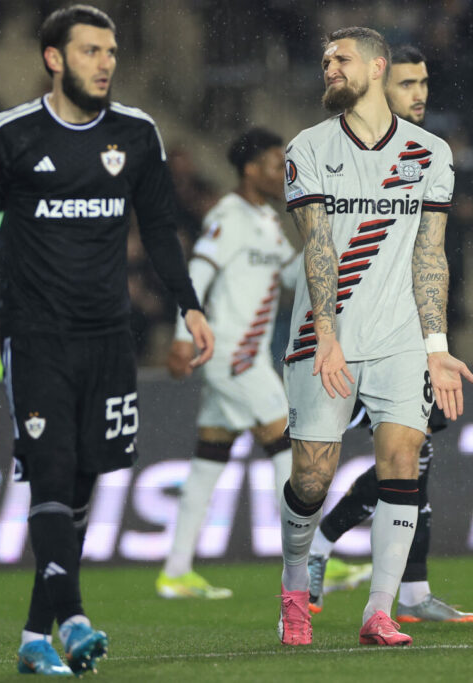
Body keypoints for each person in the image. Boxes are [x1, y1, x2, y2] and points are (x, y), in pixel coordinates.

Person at [0, 4, 214, 675]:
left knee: (79, 484)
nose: (105, 63)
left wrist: (190, 306)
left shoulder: (136, 134)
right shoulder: (9, 135)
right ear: (54, 57)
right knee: (49, 468)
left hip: (110, 338)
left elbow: (160, 229)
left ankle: (33, 637)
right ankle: (73, 617)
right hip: (37, 333)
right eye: (90, 51)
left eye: (111, 51)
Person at [277, 27, 473, 648]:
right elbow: (319, 247)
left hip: (401, 339)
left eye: (339, 59)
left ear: (375, 65)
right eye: (325, 60)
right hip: (325, 337)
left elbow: (430, 256)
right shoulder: (307, 147)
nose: (328, 67)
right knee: (313, 476)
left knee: (403, 463)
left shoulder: (429, 152)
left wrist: (437, 346)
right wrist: (328, 333)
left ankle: (379, 611)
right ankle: (293, 583)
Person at [156, 128, 296, 600]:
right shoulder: (228, 216)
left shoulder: (266, 221)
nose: (283, 172)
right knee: (289, 447)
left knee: (208, 460)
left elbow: (292, 274)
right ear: (251, 169)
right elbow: (198, 270)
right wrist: (181, 337)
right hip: (231, 356)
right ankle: (312, 558)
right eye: (277, 164)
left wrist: (332, 249)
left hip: (245, 357)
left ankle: (176, 570)